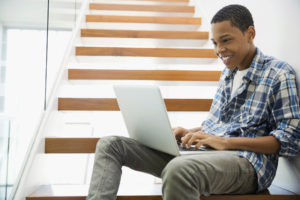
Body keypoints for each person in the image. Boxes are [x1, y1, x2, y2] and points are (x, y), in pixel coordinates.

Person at [86, 4, 300, 200]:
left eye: (226, 40)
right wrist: (190, 131)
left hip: (248, 164)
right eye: (215, 43)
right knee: (110, 145)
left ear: (250, 34)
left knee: (179, 169)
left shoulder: (279, 74)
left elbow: (290, 141)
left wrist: (225, 143)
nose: (219, 50)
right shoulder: (228, 74)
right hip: (209, 155)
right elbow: (222, 127)